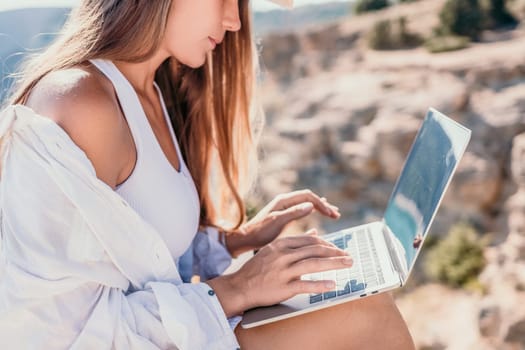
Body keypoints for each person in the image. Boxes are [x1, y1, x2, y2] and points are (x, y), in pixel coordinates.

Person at [0, 0, 415, 349]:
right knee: (365, 316)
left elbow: (140, 255)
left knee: (356, 295)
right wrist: (241, 289)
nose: (234, 21)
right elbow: (50, 333)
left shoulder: (153, 93)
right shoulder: (82, 102)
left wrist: (236, 241)